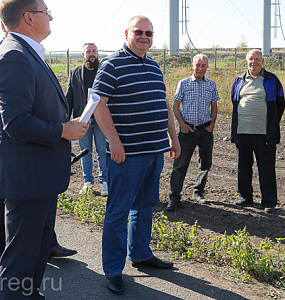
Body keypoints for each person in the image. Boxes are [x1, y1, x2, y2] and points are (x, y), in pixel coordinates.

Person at [0, 0, 87, 298]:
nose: (51, 17)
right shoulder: (14, 56)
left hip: (37, 175)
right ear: (29, 17)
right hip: (26, 178)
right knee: (20, 261)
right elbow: (15, 122)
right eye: (47, 11)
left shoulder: (26, 52)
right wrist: (62, 129)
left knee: (36, 252)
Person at [0, 23, 77, 262]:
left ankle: (47, 244)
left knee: (37, 197)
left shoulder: (33, 52)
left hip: (33, 138)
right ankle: (0, 248)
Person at [92, 15, 181, 295]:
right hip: (126, 155)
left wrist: (173, 137)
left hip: (154, 151)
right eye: (139, 32)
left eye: (149, 33)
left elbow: (163, 104)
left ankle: (141, 254)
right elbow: (98, 105)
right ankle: (113, 269)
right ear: (127, 33)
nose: (145, 36)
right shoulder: (112, 65)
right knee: (118, 211)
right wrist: (114, 142)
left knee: (144, 206)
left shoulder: (154, 66)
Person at [231, 49, 285, 213]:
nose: (253, 62)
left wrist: (271, 122)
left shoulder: (271, 79)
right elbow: (234, 101)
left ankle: (269, 201)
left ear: (262, 61)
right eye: (250, 59)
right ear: (246, 61)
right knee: (244, 166)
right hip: (243, 130)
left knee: (266, 167)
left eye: (257, 59)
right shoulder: (240, 79)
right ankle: (245, 198)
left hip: (264, 132)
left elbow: (280, 104)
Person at [167, 53, 219, 211]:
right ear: (192, 65)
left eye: (204, 65)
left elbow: (214, 106)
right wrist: (182, 124)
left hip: (205, 131)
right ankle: (174, 197)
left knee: (205, 163)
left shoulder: (211, 84)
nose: (200, 68)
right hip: (187, 130)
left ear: (207, 67)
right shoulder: (183, 83)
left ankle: (198, 192)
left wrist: (211, 126)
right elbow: (176, 106)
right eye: (198, 65)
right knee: (180, 164)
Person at [66, 42, 108, 196]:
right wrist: (67, 118)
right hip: (82, 119)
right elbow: (69, 97)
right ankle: (88, 182)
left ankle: (105, 182)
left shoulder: (104, 72)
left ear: (98, 54)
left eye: (94, 51)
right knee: (85, 151)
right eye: (88, 51)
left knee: (103, 151)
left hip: (101, 120)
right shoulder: (74, 72)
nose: (92, 54)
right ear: (83, 54)